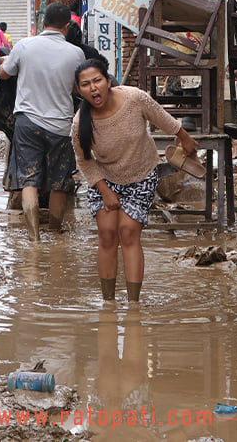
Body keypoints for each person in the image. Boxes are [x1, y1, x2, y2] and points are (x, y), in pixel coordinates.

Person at [70, 58, 198, 301]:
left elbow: (163, 118)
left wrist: (184, 137)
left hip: (141, 173)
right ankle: (108, 303)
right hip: (104, 178)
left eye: (97, 80)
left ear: (108, 81)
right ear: (79, 90)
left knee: (128, 233)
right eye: (86, 84)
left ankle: (133, 304)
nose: (93, 88)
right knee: (107, 235)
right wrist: (105, 191)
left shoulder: (134, 98)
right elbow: (84, 160)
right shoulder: (80, 123)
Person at [0, 2, 85, 241]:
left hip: (27, 123)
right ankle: (55, 235)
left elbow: (4, 73)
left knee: (29, 180)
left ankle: (34, 238)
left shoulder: (25, 45)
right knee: (58, 182)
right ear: (67, 27)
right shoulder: (76, 53)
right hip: (61, 126)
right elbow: (79, 87)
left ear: (42, 23)